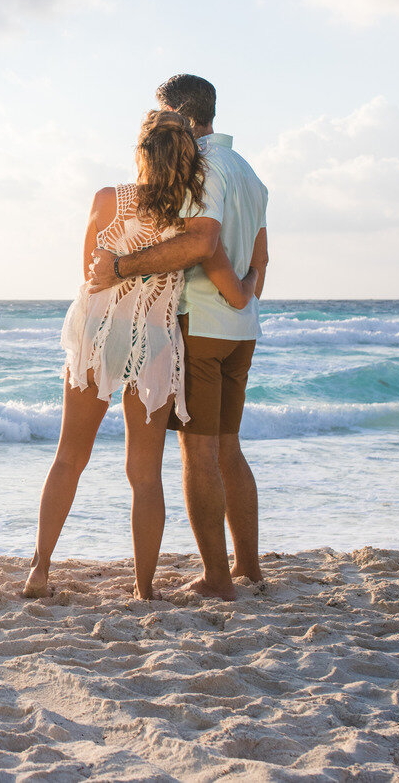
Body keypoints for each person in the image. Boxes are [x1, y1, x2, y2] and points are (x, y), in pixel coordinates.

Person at [24, 109, 263, 601]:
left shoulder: (108, 199)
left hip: (98, 332)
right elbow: (231, 275)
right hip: (154, 341)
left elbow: (90, 271)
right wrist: (250, 284)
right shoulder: (190, 223)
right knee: (145, 473)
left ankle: (39, 571)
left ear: (141, 153)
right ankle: (143, 588)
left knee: (70, 456)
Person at [87, 74, 269, 601]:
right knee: (228, 449)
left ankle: (217, 578)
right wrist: (246, 296)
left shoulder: (204, 166)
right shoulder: (249, 172)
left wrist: (122, 265)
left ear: (182, 118)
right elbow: (260, 254)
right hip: (239, 330)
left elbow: (202, 241)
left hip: (203, 324)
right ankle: (249, 569)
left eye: (163, 116)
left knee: (200, 453)